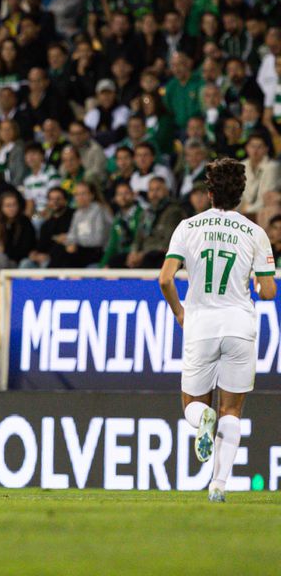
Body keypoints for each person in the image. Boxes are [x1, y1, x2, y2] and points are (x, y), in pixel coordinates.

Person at [159, 158, 277, 503]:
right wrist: (258, 284)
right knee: (233, 411)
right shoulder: (255, 233)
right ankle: (218, 486)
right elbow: (269, 291)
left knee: (192, 407)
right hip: (240, 325)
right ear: (240, 194)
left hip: (201, 324)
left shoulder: (188, 227)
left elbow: (165, 278)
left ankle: (203, 417)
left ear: (208, 192)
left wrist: (180, 312)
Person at [127, 176, 187, 268]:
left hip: (161, 255)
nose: (154, 193)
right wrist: (133, 253)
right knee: (116, 261)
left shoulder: (174, 211)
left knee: (151, 258)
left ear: (166, 191)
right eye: (151, 190)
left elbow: (168, 243)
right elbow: (138, 238)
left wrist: (143, 254)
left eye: (158, 189)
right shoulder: (146, 213)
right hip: (144, 254)